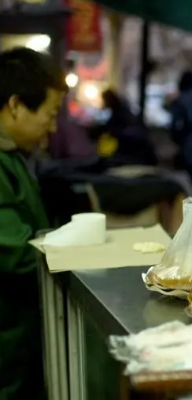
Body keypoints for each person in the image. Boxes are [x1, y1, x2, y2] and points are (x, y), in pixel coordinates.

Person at [0, 47, 67, 399]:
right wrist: (79, 251)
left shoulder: (12, 157)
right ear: (15, 105)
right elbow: (15, 253)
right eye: (50, 114)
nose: (53, 128)